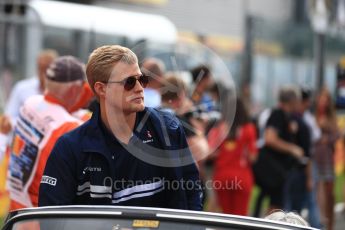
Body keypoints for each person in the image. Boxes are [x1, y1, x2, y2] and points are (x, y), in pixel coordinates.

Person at [39, 45, 202, 210]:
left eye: (142, 79)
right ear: (101, 89)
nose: (139, 88)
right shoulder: (69, 148)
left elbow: (192, 194)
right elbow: (53, 217)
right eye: (129, 82)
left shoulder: (168, 129)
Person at [7, 56, 86, 210]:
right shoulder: (69, 126)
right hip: (43, 216)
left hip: (17, 208)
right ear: (74, 90)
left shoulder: (31, 102)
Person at [253, 86, 304, 211]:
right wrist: (292, 149)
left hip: (277, 170)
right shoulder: (278, 114)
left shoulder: (286, 116)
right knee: (275, 205)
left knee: (271, 201)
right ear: (292, 101)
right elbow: (270, 139)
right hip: (272, 170)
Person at [213, 98, 258, 216]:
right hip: (242, 178)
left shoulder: (220, 128)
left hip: (222, 177)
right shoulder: (249, 129)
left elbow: (210, 151)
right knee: (240, 218)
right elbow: (253, 157)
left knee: (225, 218)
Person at [314, 87, 339, 230]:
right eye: (322, 98)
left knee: (330, 193)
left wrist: (327, 138)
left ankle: (330, 224)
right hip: (316, 157)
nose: (324, 101)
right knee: (318, 192)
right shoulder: (314, 116)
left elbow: (337, 135)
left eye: (326, 98)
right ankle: (320, 221)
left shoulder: (331, 118)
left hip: (328, 158)